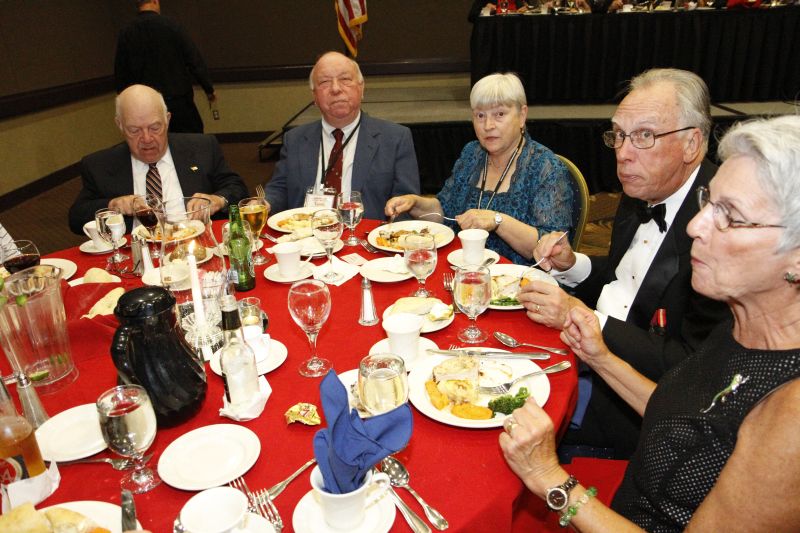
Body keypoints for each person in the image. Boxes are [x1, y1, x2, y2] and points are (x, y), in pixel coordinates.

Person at [500, 114, 800, 532]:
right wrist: (600, 358)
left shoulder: (790, 418)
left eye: (730, 216)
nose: (695, 226)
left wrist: (551, 480)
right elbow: (681, 414)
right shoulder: (744, 322)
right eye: (708, 203)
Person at [520, 68, 730, 457]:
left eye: (644, 136)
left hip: (634, 403)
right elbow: (628, 280)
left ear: (691, 143)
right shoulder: (645, 188)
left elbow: (691, 365)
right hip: (586, 350)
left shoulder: (721, 228)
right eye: (618, 135)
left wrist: (584, 317)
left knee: (503, 418)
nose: (623, 153)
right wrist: (572, 265)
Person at [385, 73, 574, 265]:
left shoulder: (546, 168)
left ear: (522, 116)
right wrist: (415, 203)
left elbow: (551, 248)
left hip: (518, 278)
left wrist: (498, 221)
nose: (488, 125)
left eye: (499, 114)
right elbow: (445, 210)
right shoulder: (472, 154)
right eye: (480, 115)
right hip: (462, 268)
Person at [68, 85, 248, 234]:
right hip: (137, 256)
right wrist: (111, 205)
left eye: (155, 128)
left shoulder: (202, 147)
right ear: (120, 125)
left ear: (167, 120)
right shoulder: (100, 165)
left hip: (197, 246)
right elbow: (76, 218)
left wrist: (216, 200)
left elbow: (237, 189)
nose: (146, 138)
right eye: (134, 130)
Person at [263, 51, 420, 221]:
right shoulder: (295, 139)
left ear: (361, 88)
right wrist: (266, 203)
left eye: (345, 79)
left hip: (366, 234)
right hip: (306, 232)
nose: (336, 89)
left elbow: (405, 202)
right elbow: (280, 188)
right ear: (314, 96)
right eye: (324, 82)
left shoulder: (395, 138)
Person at [115, 0, 216, 133]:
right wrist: (208, 89)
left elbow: (121, 73)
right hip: (178, 100)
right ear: (155, 1)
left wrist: (125, 104)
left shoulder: (126, 32)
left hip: (146, 104)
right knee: (191, 139)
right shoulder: (172, 26)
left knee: (153, 140)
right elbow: (194, 60)